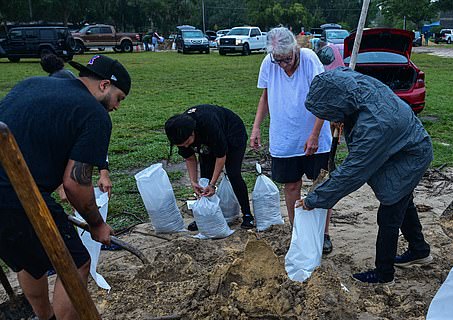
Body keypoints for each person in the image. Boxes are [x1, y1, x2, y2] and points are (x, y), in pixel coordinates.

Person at [0, 54, 131, 320]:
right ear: (104, 85)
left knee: (29, 260)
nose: (116, 106)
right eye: (118, 98)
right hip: (15, 194)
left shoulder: (32, 85)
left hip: (10, 193)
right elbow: (76, 186)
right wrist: (97, 225)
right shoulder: (94, 116)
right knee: (77, 262)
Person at [297, 67, 434, 284]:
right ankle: (419, 250)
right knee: (403, 200)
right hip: (401, 144)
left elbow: (354, 171)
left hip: (410, 156)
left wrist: (316, 199)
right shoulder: (354, 85)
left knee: (390, 211)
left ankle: (384, 273)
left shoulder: (375, 126)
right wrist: (341, 117)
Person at [250, 27, 334, 254]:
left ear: (295, 49)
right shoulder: (270, 63)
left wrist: (315, 134)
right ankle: (298, 230)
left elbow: (324, 98)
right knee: (291, 185)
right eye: (279, 60)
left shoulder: (309, 59)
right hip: (284, 136)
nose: (284, 65)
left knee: (321, 186)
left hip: (315, 135)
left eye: (287, 59)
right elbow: (265, 96)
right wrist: (256, 127)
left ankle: (323, 234)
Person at [165, 105, 255, 229]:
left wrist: (212, 185)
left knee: (233, 174)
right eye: (182, 145)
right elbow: (190, 158)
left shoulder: (208, 125)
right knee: (204, 179)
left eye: (187, 143)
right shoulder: (179, 133)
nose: (185, 146)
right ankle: (205, 216)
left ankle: (247, 215)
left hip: (232, 133)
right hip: (207, 140)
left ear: (192, 133)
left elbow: (221, 156)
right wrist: (193, 181)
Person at [39, 54, 113, 200]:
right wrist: (62, 187)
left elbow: (97, 141)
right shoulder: (54, 115)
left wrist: (104, 173)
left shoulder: (86, 109)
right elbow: (49, 152)